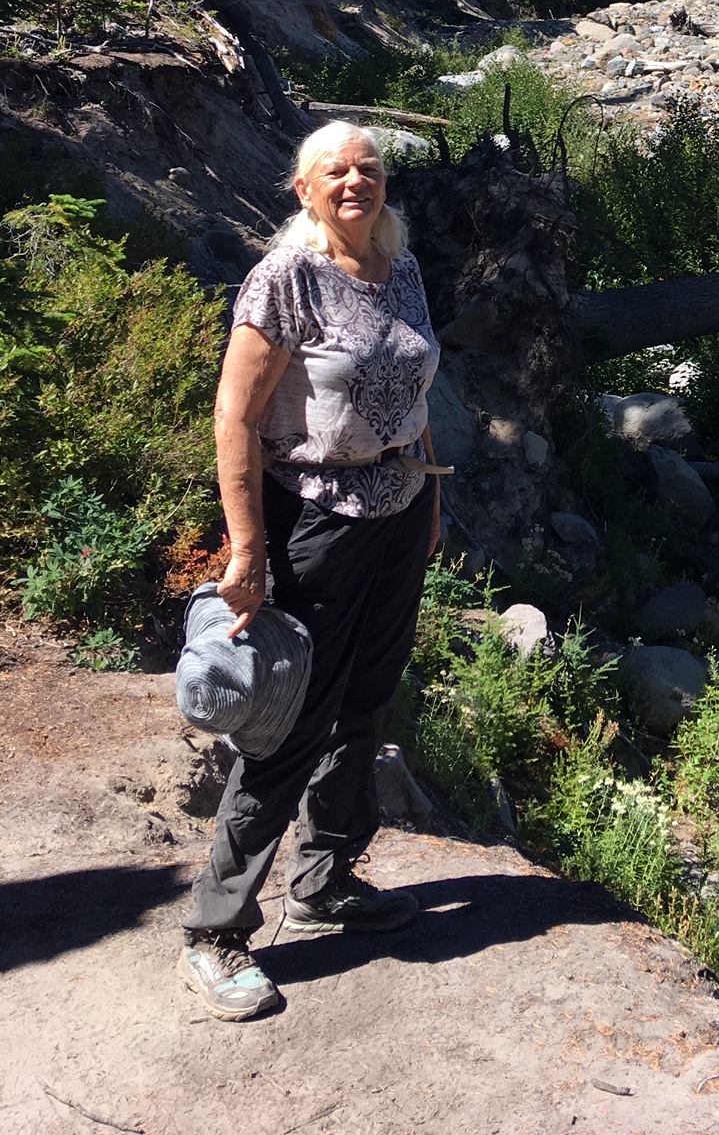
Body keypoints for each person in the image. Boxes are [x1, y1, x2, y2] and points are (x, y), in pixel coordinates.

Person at [178, 120, 446, 1021]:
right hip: (314, 524)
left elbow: (412, 393)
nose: (354, 182)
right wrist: (247, 547)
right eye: (335, 171)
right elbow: (236, 418)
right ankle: (216, 931)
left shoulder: (399, 266)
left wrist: (431, 498)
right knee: (290, 719)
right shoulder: (285, 279)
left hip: (400, 511)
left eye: (368, 168)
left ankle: (327, 879)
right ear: (304, 188)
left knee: (367, 703)